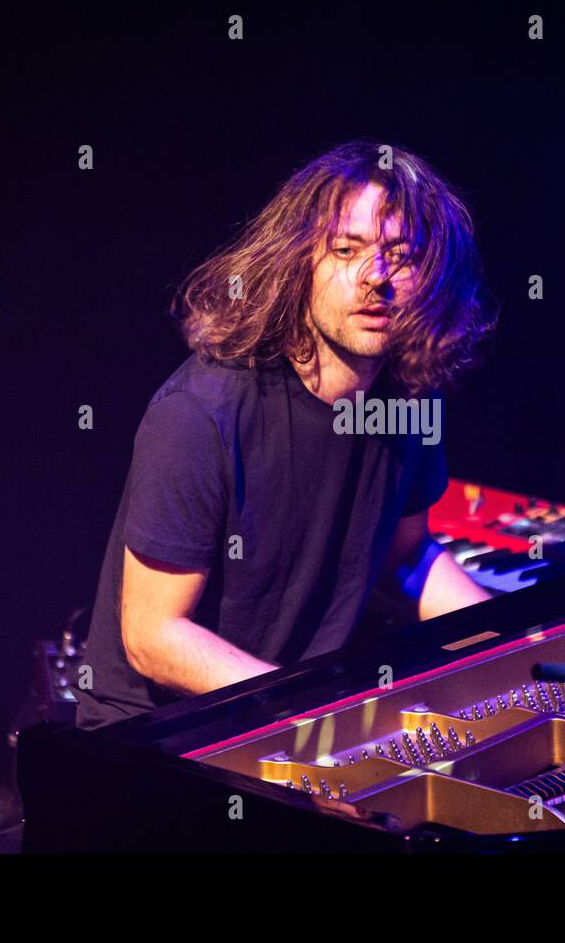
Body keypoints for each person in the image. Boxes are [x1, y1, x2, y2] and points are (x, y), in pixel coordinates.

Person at [76, 140, 495, 730]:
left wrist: (516, 642)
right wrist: (314, 708)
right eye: (346, 250)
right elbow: (153, 636)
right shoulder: (200, 414)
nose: (377, 278)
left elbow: (403, 562)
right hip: (166, 740)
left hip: (298, 718)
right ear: (298, 262)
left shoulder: (407, 399)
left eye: (401, 256)